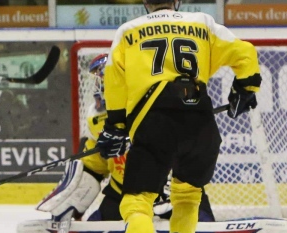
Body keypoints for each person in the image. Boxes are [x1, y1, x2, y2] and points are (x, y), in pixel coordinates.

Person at [96, 0, 261, 233]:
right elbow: (244, 53)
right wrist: (246, 87)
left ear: (144, 1)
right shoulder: (202, 22)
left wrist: (115, 126)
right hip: (201, 122)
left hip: (157, 124)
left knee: (138, 199)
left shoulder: (127, 32)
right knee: (188, 193)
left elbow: (113, 78)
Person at [36, 52, 215, 223]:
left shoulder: (160, 109)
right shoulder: (100, 119)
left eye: (106, 82)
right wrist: (74, 197)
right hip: (122, 194)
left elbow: (189, 152)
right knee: (93, 229)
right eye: (100, 82)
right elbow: (95, 164)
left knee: (200, 223)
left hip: (172, 194)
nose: (101, 88)